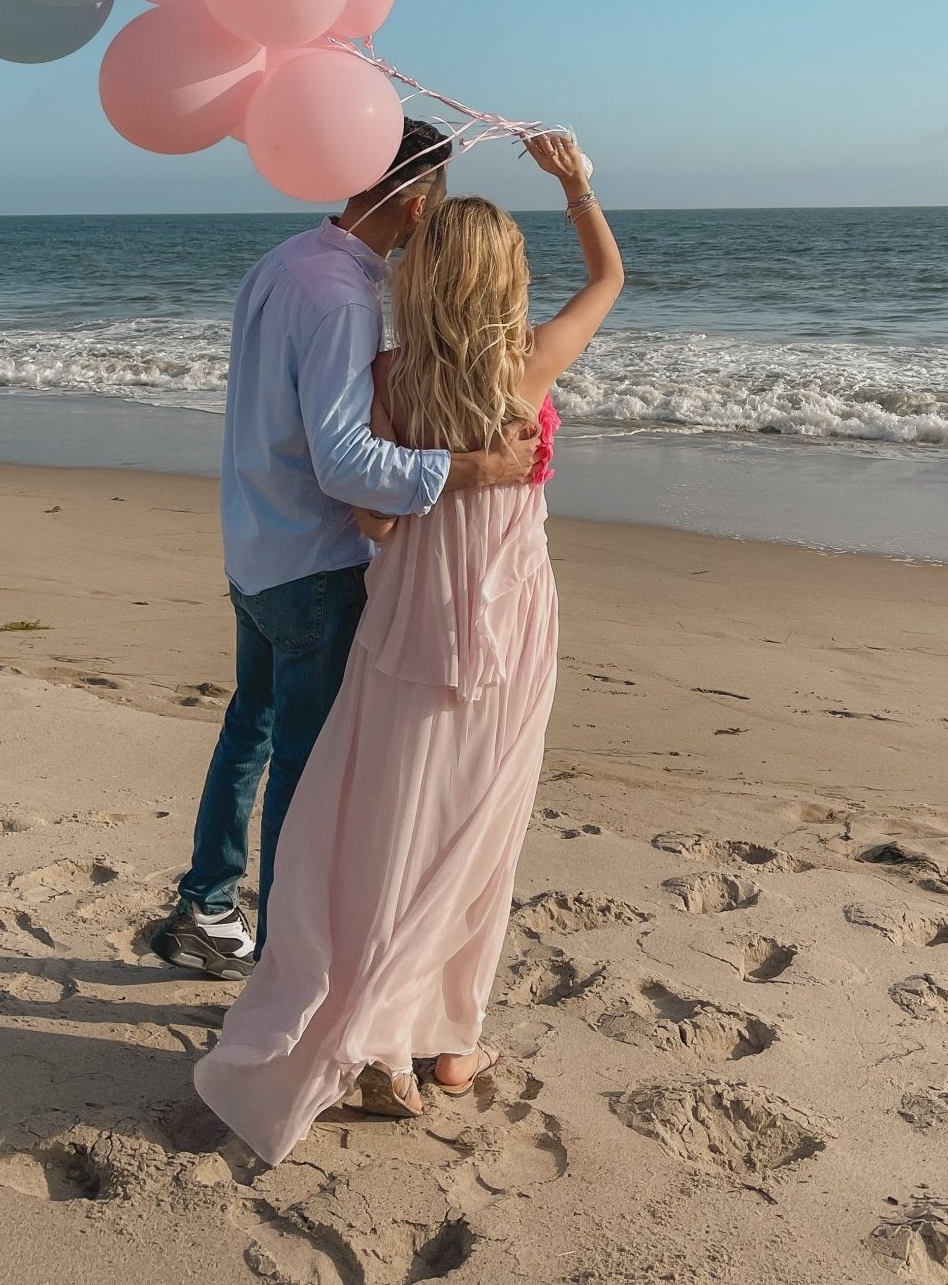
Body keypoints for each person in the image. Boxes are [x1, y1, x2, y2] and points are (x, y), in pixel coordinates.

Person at [193, 131, 623, 1163]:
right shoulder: (529, 371)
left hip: (396, 617)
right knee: (477, 833)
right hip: (509, 623)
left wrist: (425, 483)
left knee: (379, 821)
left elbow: (374, 513)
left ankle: (322, 983)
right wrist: (575, 184)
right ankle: (448, 1037)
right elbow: (609, 277)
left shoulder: (384, 367)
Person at [152, 120, 542, 979]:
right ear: (412, 195)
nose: (431, 221)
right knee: (307, 764)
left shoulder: (285, 261)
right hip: (314, 563)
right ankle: (286, 955)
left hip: (255, 539)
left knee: (250, 729)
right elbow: (346, 463)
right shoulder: (340, 298)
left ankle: (207, 907)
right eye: (432, 200)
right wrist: (475, 466)